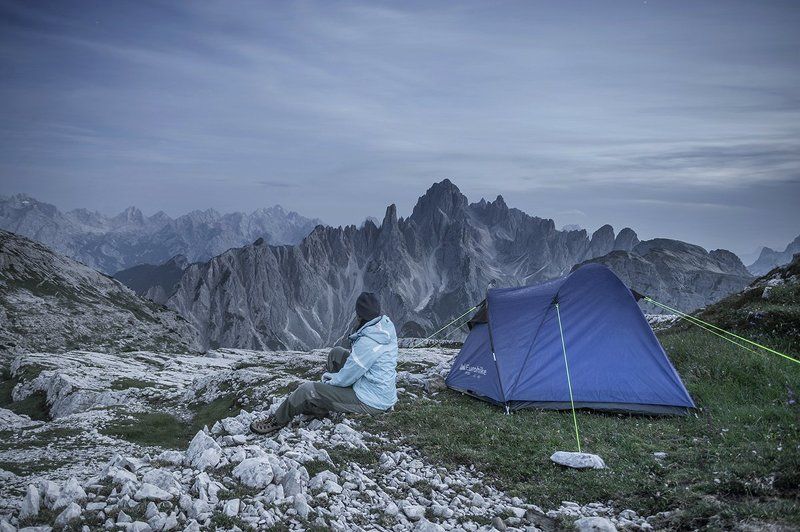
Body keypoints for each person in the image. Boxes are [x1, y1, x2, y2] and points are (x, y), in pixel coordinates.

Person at [250, 292, 398, 435]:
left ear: (359, 315)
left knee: (308, 390)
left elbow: (346, 378)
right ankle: (321, 407)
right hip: (380, 392)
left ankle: (276, 421)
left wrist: (328, 382)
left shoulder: (367, 342)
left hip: (370, 401)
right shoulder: (384, 326)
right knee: (336, 354)